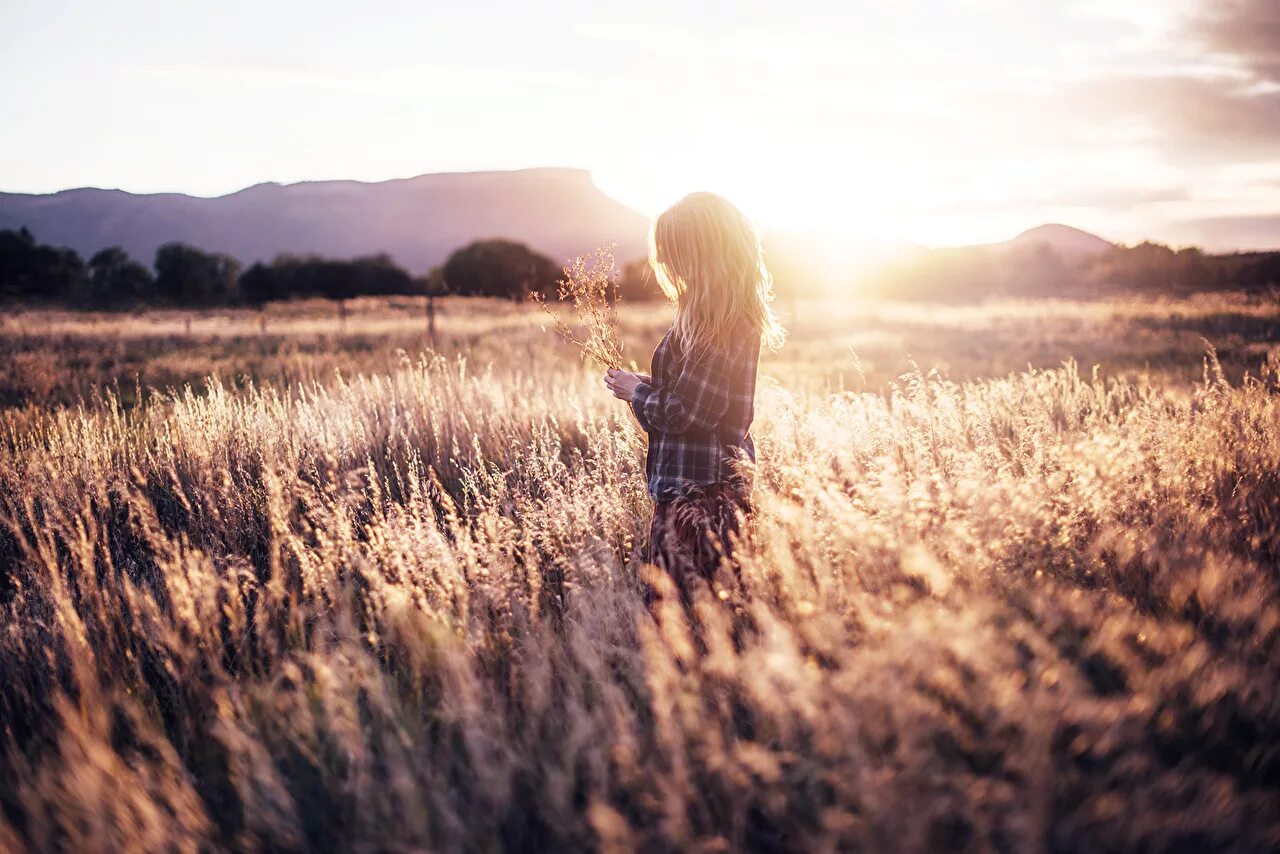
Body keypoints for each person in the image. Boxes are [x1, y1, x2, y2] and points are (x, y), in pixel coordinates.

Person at [604, 192, 785, 605]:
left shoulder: (718, 321)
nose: (665, 263)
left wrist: (636, 392)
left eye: (672, 251)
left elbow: (691, 411)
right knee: (699, 615)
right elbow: (694, 393)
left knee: (682, 616)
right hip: (694, 486)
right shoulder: (712, 314)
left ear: (698, 250)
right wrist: (645, 384)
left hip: (701, 491)